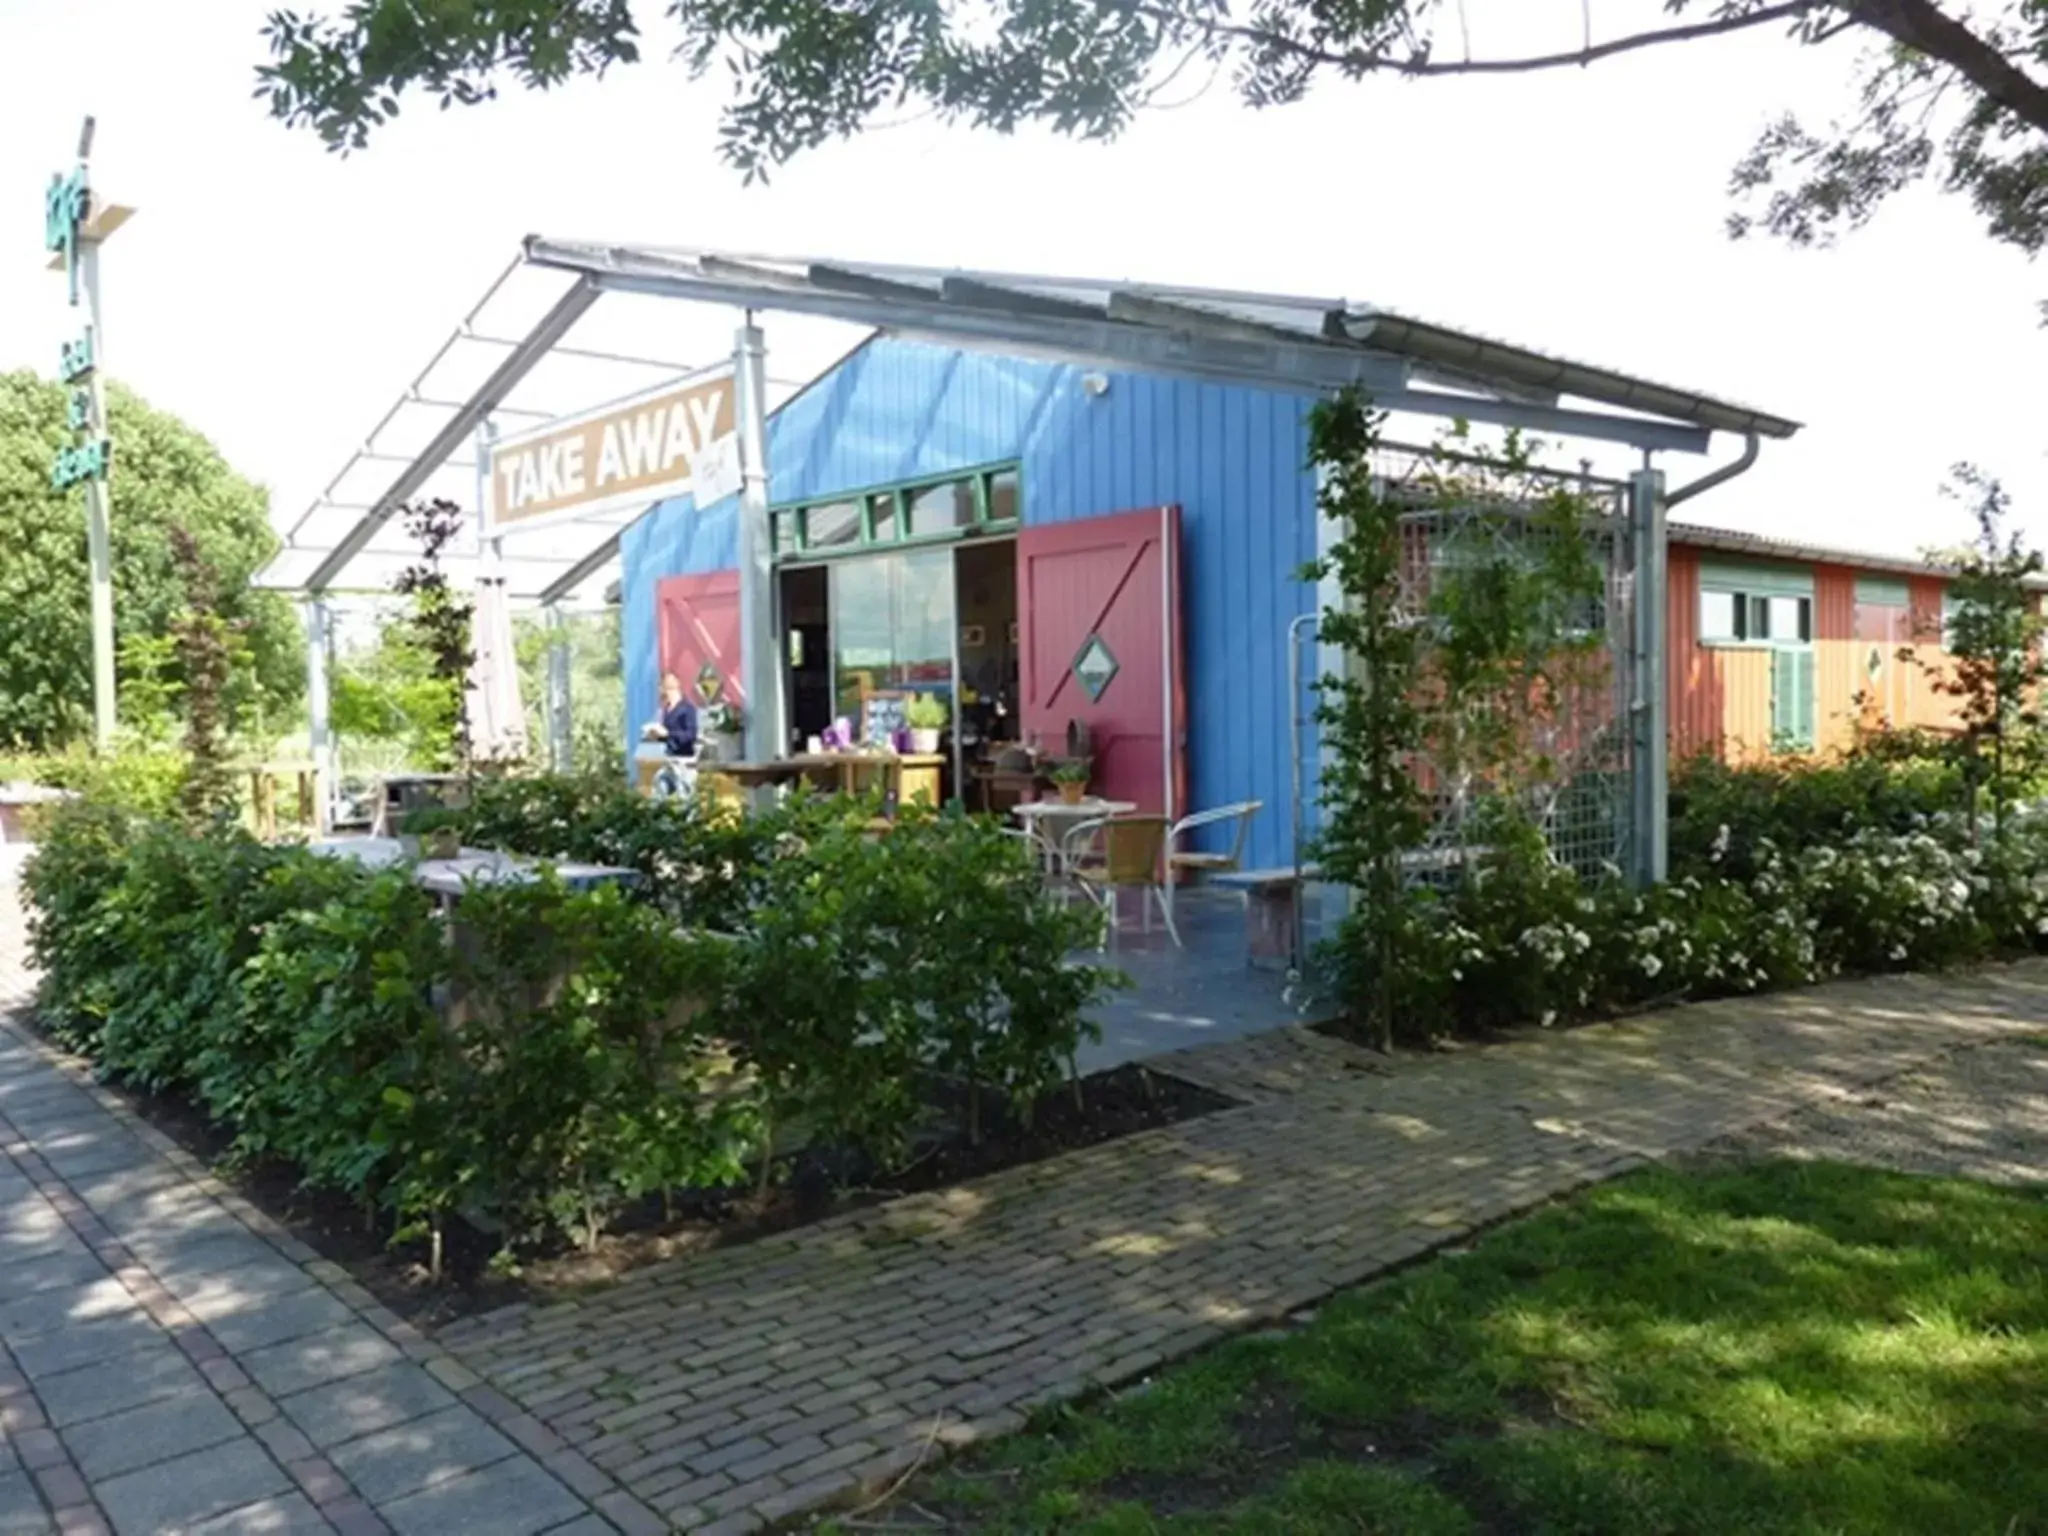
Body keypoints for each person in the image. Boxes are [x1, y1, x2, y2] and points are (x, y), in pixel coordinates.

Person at [651, 672, 698, 799]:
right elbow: (667, 736)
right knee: (660, 787)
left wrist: (668, 734)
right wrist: (657, 735)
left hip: (685, 761)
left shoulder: (687, 709)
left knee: (684, 796)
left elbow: (691, 735)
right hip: (669, 760)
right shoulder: (666, 709)